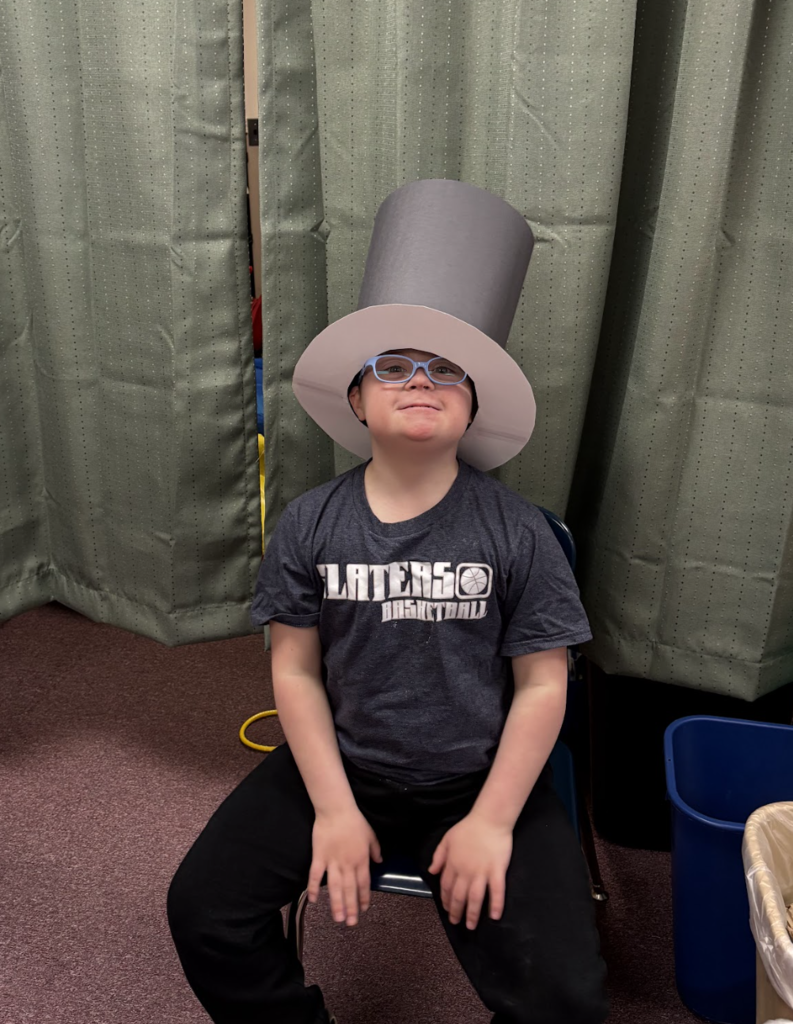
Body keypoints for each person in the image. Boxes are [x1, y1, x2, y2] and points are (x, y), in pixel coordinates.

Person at [167, 179, 609, 1024]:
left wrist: (491, 821)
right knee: (203, 912)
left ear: (472, 405)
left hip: (477, 779)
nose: (420, 381)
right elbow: (295, 671)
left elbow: (542, 685)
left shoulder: (517, 533)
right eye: (394, 366)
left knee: (565, 1000)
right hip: (341, 768)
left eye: (446, 371)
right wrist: (334, 807)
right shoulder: (310, 525)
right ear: (357, 399)